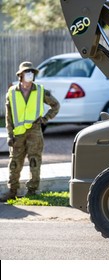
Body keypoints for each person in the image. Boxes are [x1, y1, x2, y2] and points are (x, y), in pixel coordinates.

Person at [1, 61, 60, 201]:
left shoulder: (40, 90)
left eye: (32, 72)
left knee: (34, 161)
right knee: (14, 162)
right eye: (27, 72)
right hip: (18, 133)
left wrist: (45, 119)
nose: (30, 75)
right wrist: (9, 134)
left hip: (35, 131)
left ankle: (32, 191)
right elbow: (8, 116)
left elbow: (55, 105)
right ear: (20, 75)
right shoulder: (11, 92)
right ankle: (12, 191)